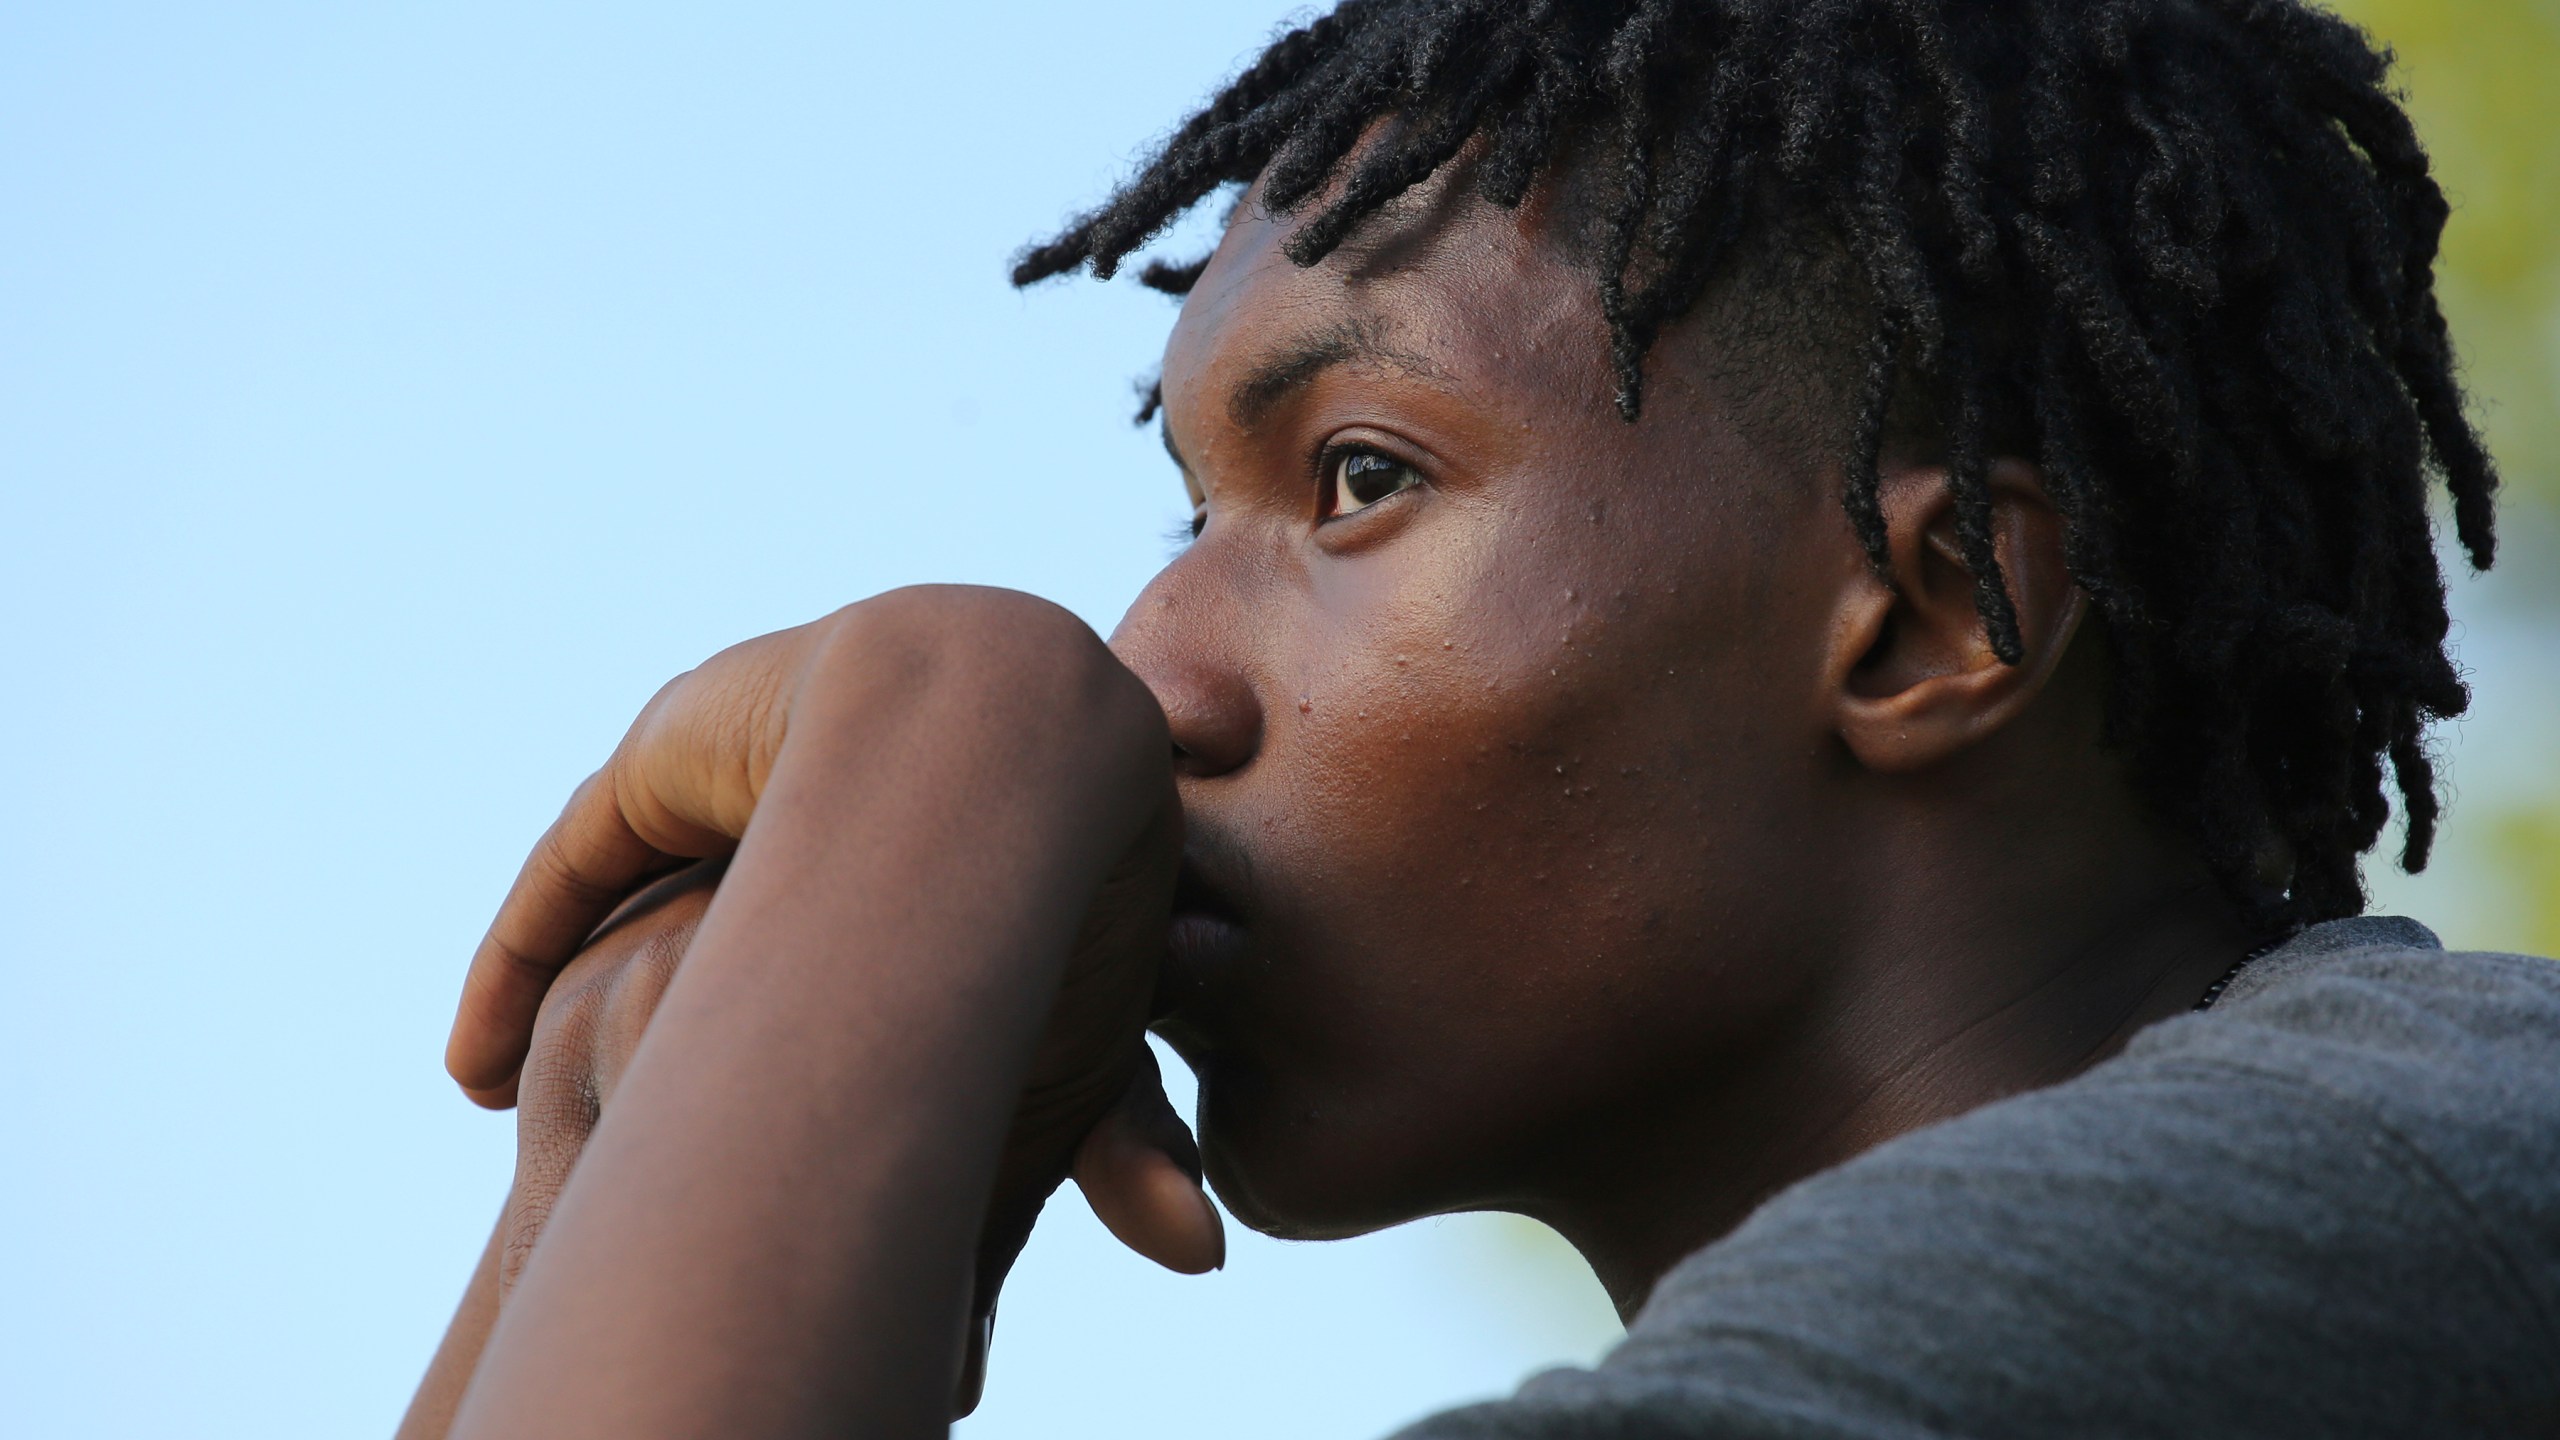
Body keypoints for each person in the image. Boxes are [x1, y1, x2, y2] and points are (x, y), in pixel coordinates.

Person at [398, 1, 2560, 1436]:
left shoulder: (2325, 1208)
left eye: (1355, 478)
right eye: (1181, 513)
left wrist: (934, 744)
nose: (1146, 677)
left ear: (1933, 613)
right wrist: (642, 1117)